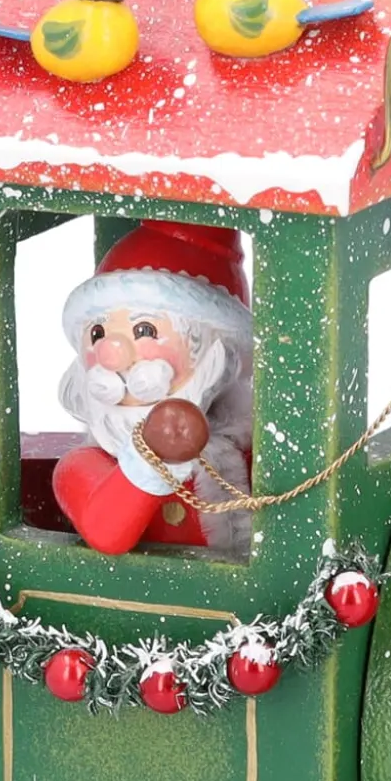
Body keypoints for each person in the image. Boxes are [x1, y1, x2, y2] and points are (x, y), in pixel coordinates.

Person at [52, 219, 253, 558]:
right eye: (97, 334)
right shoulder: (82, 465)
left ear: (211, 352)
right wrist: (152, 453)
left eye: (144, 331)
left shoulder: (246, 448)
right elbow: (107, 532)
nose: (112, 354)